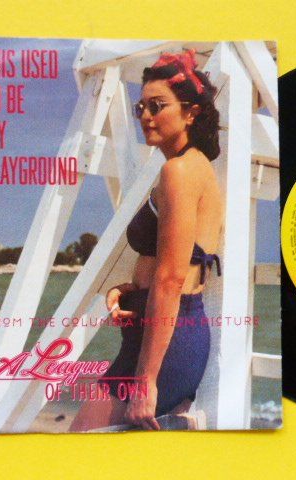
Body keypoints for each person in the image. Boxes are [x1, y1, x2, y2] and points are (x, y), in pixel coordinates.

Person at [69, 49, 223, 431]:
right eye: (141, 107)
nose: (146, 116)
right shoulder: (195, 168)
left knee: (80, 442)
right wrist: (131, 290)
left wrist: (145, 382)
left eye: (158, 105)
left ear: (191, 112)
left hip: (163, 348)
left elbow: (172, 279)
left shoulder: (179, 172)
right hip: (167, 337)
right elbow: (179, 264)